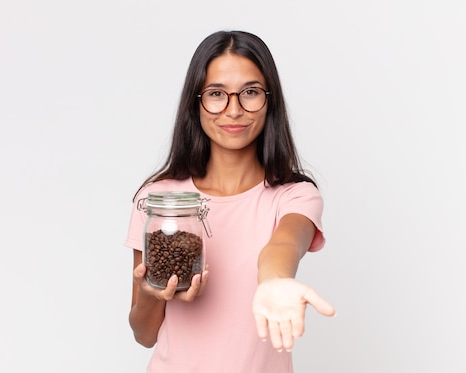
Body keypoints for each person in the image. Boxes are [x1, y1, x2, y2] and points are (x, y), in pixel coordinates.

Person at [125, 30, 336, 372]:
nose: (233, 109)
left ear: (270, 101)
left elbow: (284, 243)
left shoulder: (295, 194)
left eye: (250, 92)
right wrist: (150, 293)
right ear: (196, 102)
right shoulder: (158, 200)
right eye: (216, 94)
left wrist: (275, 280)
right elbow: (144, 334)